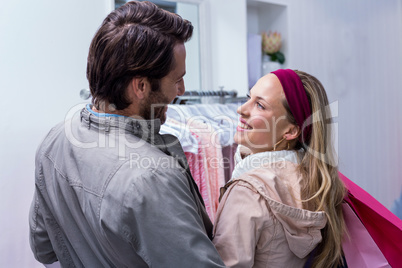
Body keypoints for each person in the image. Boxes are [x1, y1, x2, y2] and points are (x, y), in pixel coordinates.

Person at [29, 1, 225, 267]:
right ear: (140, 86)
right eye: (176, 78)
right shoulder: (153, 179)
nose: (181, 90)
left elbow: (44, 249)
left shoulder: (55, 140)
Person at [212, 69, 346, 267]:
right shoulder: (314, 180)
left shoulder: (247, 191)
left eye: (260, 105)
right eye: (249, 97)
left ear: (290, 131)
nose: (241, 109)